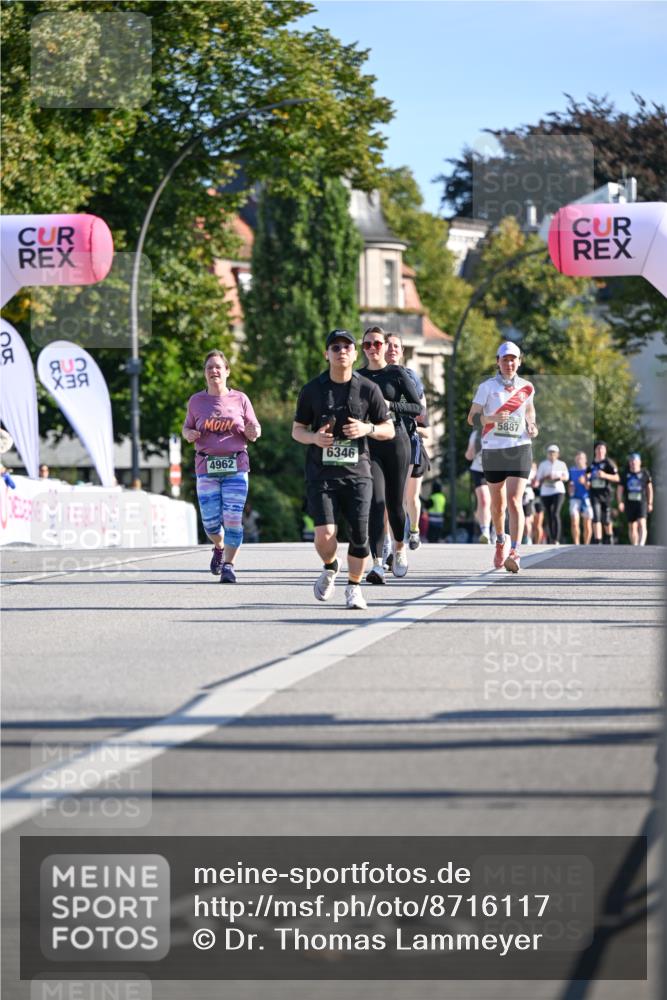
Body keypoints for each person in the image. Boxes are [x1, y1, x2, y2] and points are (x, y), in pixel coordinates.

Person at [292, 329, 394, 610]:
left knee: (360, 536)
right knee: (325, 535)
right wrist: (314, 438)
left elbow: (388, 429)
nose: (341, 352)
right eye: (335, 348)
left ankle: (354, 587)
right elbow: (297, 430)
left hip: (358, 474)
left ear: (355, 353)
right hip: (321, 473)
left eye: (347, 347)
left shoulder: (368, 389)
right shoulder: (312, 390)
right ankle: (330, 565)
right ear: (327, 354)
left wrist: (367, 428)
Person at [182, 349, 261, 583]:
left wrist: (253, 432)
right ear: (204, 373)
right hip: (206, 467)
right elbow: (186, 427)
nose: (214, 371)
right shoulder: (196, 401)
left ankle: (229, 565)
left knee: (233, 518)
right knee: (210, 524)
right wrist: (188, 434)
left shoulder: (240, 399)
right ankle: (219, 546)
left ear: (227, 371)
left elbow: (255, 428)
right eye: (209, 368)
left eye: (218, 367)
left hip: (236, 465)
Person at [357, 326, 423, 584]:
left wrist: (390, 405)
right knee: (376, 502)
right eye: (367, 344)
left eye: (377, 343)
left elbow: (416, 407)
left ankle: (399, 548)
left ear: (385, 346)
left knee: (395, 503)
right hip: (370, 443)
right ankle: (376, 563)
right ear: (363, 349)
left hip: (397, 442)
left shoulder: (396, 374)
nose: (373, 348)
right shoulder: (358, 377)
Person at [467, 340, 538, 573]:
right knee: (497, 505)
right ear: (498, 362)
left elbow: (529, 411)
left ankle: (515, 551)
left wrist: (532, 424)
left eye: (513, 359)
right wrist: (491, 419)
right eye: (505, 359)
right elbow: (472, 417)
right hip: (494, 450)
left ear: (519, 362)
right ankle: (500, 540)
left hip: (520, 448)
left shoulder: (527, 387)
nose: (509, 363)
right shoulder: (487, 387)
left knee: (515, 500)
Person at [385, 333, 430, 550]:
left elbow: (423, 415)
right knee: (390, 496)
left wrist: (412, 422)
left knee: (410, 497)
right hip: (386, 441)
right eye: (388, 345)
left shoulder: (411, 377)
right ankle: (388, 543)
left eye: (396, 346)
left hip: (411, 441)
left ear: (402, 351)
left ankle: (413, 530)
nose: (392, 349)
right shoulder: (374, 376)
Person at [535, 444, 569, 544]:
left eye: (554, 453)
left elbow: (566, 477)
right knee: (549, 514)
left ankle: (556, 539)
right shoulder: (543, 464)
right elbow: (538, 479)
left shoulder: (561, 464)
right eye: (550, 453)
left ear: (557, 454)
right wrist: (546, 477)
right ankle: (551, 538)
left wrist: (558, 478)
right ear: (547, 454)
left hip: (558, 491)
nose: (552, 455)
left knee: (555, 513)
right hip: (546, 492)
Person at [587, 441, 620, 544]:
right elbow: (586, 476)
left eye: (602, 449)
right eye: (598, 449)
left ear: (605, 451)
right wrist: (586, 481)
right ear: (595, 450)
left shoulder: (608, 463)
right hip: (594, 493)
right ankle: (598, 541)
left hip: (606, 494)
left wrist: (605, 475)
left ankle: (609, 537)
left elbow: (617, 478)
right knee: (596, 517)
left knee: (606, 519)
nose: (600, 451)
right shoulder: (591, 463)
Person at [617, 452, 653, 546]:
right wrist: (620, 502)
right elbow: (620, 489)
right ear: (629, 463)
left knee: (642, 522)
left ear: (639, 462)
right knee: (632, 526)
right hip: (629, 502)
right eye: (631, 461)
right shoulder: (625, 474)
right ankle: (635, 546)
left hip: (642, 502)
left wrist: (650, 503)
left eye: (635, 461)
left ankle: (641, 545)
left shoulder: (645, 473)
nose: (633, 463)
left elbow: (649, 489)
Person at [465, 427, 491, 542]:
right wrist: (472, 449)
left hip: (496, 469)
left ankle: (496, 531)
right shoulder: (476, 434)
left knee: (496, 502)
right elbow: (468, 456)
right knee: (484, 500)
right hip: (478, 470)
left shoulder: (498, 431)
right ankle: (485, 531)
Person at [568, 451, 593, 545]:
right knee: (574, 522)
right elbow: (569, 486)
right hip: (574, 498)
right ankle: (576, 544)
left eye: (581, 458)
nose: (579, 460)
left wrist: (584, 482)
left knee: (587, 524)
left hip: (587, 498)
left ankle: (586, 545)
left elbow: (592, 487)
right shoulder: (571, 470)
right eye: (578, 458)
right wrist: (570, 488)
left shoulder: (589, 471)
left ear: (585, 460)